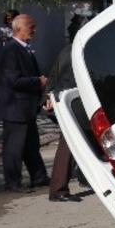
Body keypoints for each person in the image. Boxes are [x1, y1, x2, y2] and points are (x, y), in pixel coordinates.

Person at [0, 14, 48, 193]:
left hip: (26, 108)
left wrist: (43, 97)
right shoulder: (10, 50)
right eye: (31, 27)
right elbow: (14, 80)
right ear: (19, 28)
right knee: (14, 148)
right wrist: (38, 82)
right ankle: (12, 183)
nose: (34, 30)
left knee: (31, 145)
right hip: (15, 107)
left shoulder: (24, 49)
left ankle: (39, 177)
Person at [43, 41, 84, 202]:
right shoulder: (81, 48)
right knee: (68, 144)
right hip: (76, 103)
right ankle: (58, 190)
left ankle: (80, 179)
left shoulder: (67, 49)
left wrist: (48, 96)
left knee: (75, 143)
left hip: (70, 102)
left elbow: (53, 74)